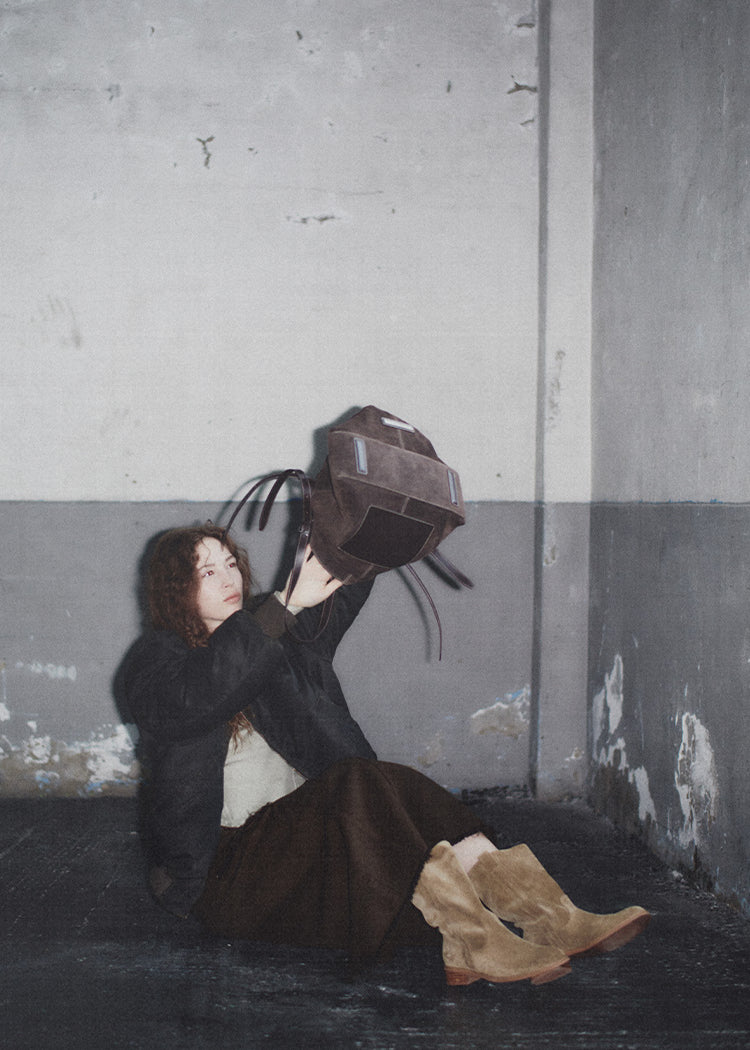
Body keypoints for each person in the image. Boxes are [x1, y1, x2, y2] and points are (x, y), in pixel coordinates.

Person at [123, 522, 650, 987]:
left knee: (395, 786)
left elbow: (338, 590)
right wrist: (283, 606)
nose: (228, 577)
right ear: (175, 590)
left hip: (301, 849)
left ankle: (550, 917)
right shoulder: (156, 664)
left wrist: (378, 525)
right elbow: (205, 691)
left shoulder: (275, 633)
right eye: (207, 571)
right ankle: (474, 940)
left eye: (230, 562)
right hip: (227, 875)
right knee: (356, 780)